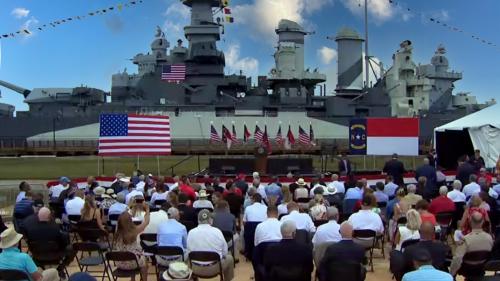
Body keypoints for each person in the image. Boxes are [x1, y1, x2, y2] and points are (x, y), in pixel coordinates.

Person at [22, 208, 74, 278]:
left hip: (37, 256)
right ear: (49, 216)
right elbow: (64, 243)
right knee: (72, 248)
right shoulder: (56, 227)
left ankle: (40, 266)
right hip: (56, 256)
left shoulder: (30, 229)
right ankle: (60, 269)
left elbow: (28, 242)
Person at [187, 210, 234, 281]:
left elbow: (188, 251)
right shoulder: (217, 231)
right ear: (211, 220)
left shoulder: (191, 232)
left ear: (198, 220)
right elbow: (225, 252)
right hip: (215, 268)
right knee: (229, 258)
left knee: (187, 260)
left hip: (195, 268)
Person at [450, 211, 493, 276]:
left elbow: (457, 259)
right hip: (481, 269)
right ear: (483, 222)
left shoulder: (465, 240)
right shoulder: (489, 238)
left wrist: (451, 274)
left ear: (470, 221)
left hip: (467, 271)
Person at [114, 209, 150, 281]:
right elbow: (146, 222)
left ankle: (132, 279)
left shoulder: (117, 233)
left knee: (132, 256)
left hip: (120, 263)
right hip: (132, 263)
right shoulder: (134, 231)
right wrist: (147, 210)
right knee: (145, 261)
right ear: (130, 221)